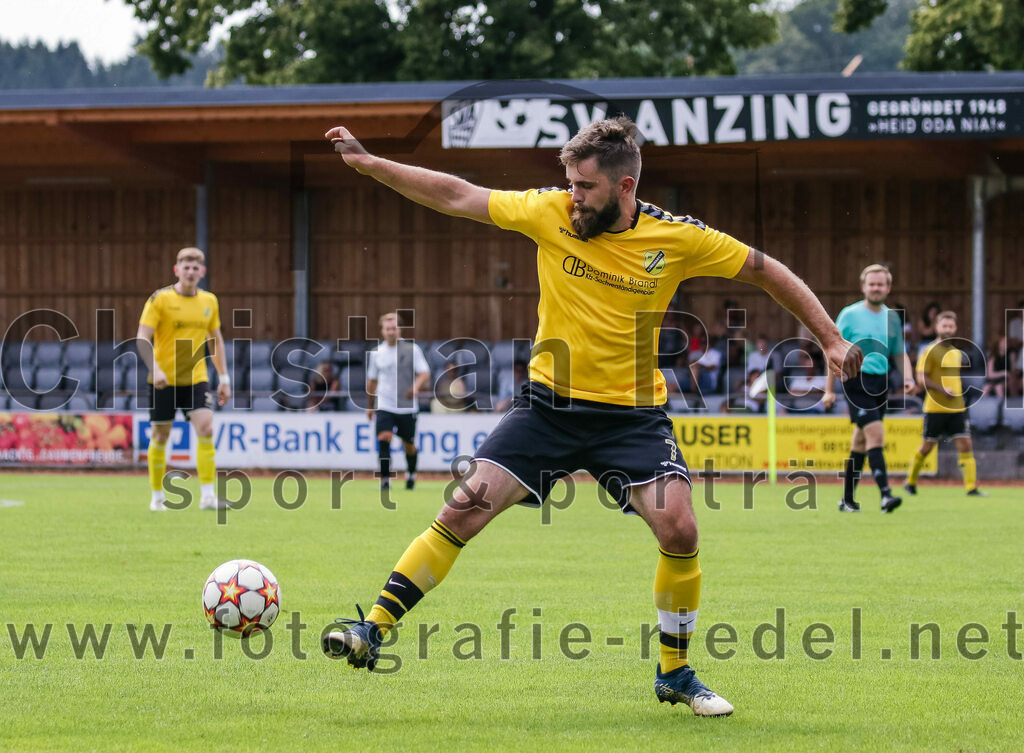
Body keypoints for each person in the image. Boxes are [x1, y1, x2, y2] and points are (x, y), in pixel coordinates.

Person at [321, 117, 861, 717]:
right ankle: (372, 627)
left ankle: (675, 673)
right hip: (547, 406)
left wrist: (830, 339)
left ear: (625, 186)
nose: (573, 196)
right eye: (570, 183)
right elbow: (456, 194)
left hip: (631, 416)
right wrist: (371, 164)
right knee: (463, 507)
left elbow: (766, 270)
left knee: (680, 528)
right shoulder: (547, 211)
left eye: (585, 186)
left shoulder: (677, 237)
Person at [137, 247, 230, 511]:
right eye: (186, 267)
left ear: (202, 272)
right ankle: (157, 497)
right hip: (163, 380)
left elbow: (215, 340)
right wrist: (155, 368)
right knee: (161, 435)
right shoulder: (160, 299)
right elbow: (142, 337)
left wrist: (224, 378)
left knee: (206, 428)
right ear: (177, 270)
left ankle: (208, 496)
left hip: (196, 379)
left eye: (195, 268)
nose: (190, 272)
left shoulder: (209, 301)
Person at [824, 264, 915, 514]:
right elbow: (831, 351)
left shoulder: (893, 317)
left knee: (861, 440)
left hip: (880, 381)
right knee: (876, 434)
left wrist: (909, 378)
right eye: (871, 284)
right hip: (855, 379)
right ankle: (886, 495)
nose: (876, 288)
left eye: (880, 284)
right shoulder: (849, 314)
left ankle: (847, 500)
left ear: (888, 288)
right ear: (863, 287)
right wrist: (829, 390)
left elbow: (899, 352)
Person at [905, 312, 986, 497]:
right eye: (944, 326)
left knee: (965, 444)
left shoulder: (956, 353)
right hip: (935, 408)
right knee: (927, 447)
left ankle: (971, 488)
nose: (948, 329)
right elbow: (921, 378)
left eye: (951, 326)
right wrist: (942, 390)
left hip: (957, 407)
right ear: (936, 327)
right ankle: (910, 482)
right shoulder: (929, 351)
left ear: (955, 328)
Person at [366, 313, 431, 491]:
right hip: (384, 403)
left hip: (406, 406)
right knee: (383, 438)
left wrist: (415, 387)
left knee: (408, 445)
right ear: (382, 331)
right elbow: (372, 381)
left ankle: (411, 474)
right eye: (387, 329)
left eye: (394, 328)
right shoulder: (376, 353)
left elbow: (424, 373)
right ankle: (385, 479)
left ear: (400, 329)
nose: (391, 332)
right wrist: (370, 406)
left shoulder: (412, 350)